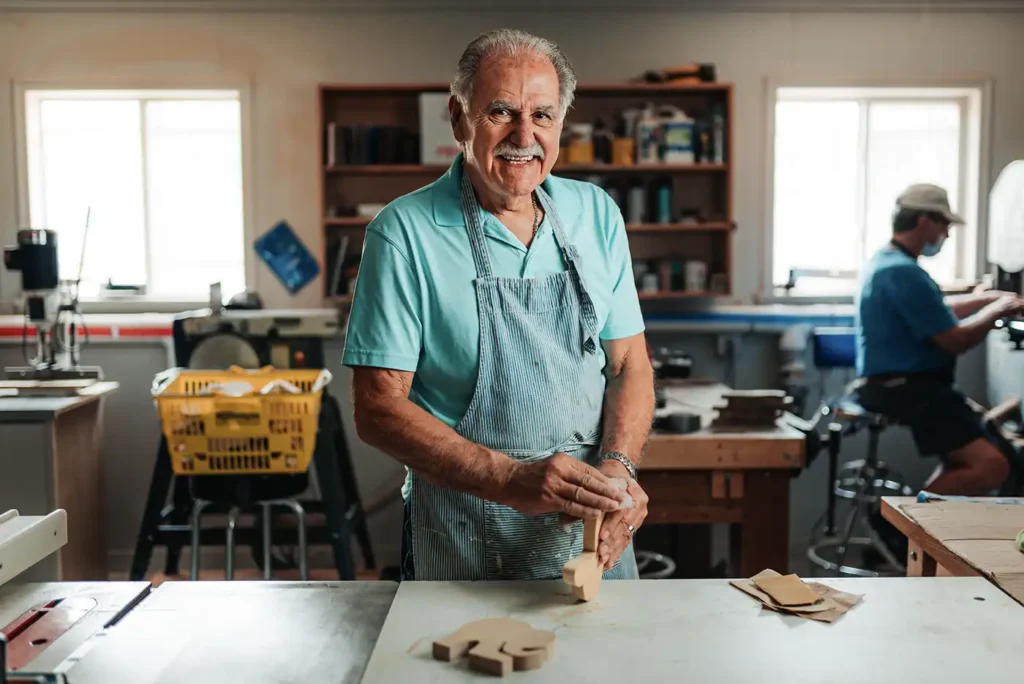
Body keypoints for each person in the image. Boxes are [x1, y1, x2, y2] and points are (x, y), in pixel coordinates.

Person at [342, 29, 655, 581]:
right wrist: (508, 478)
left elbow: (629, 363)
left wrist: (619, 469)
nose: (524, 135)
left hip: (587, 529)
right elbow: (377, 409)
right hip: (463, 533)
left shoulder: (596, 214)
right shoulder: (403, 234)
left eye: (543, 116)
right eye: (501, 112)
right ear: (460, 118)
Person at [855, 183, 1024, 496]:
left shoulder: (887, 262)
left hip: (902, 386)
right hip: (911, 390)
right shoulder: (903, 272)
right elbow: (953, 340)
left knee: (963, 459)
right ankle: (906, 529)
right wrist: (998, 311)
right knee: (992, 466)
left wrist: (985, 300)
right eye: (944, 224)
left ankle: (914, 527)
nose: (946, 234)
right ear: (924, 221)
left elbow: (932, 309)